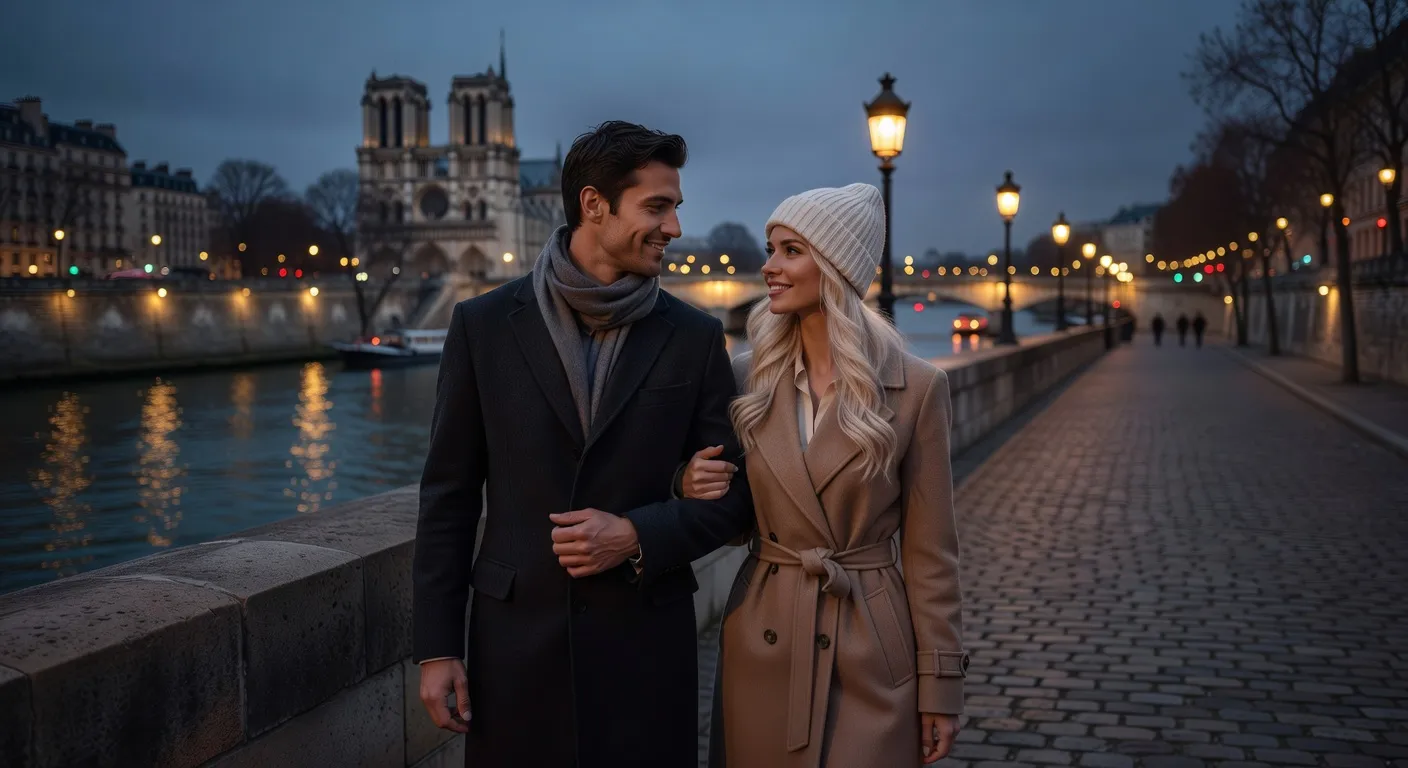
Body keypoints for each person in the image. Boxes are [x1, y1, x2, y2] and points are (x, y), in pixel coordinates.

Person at [412, 121, 754, 768]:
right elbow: (449, 497)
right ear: (594, 205)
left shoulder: (693, 337)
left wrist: (635, 533)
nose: (674, 228)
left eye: (675, 207)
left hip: (645, 647)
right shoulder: (482, 327)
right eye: (657, 206)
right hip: (515, 648)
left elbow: (734, 503)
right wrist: (437, 648)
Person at [681, 184, 967, 766]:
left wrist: (940, 684)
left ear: (834, 268)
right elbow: (734, 517)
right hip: (765, 632)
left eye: (791, 250)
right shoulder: (744, 379)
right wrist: (686, 482)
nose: (769, 267)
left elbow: (932, 553)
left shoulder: (916, 388)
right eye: (770, 248)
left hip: (872, 642)